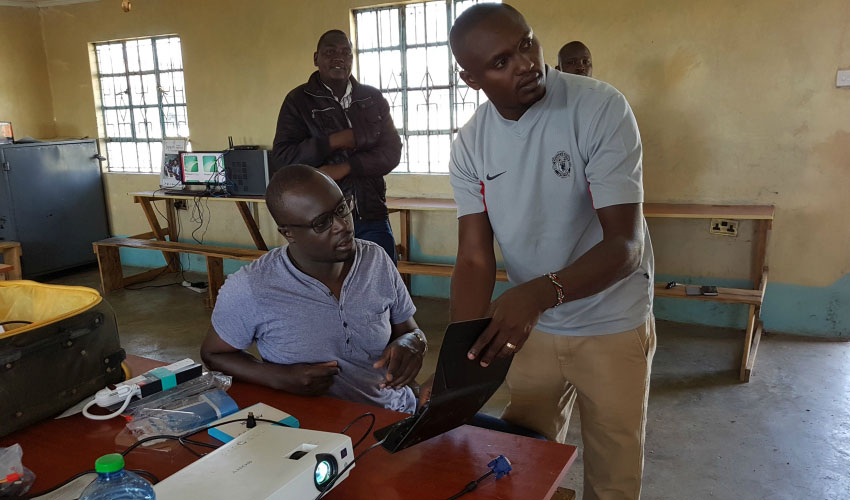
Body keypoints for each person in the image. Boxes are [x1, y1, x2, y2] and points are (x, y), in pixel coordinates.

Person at [446, 4, 655, 500]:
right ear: (470, 79)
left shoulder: (599, 108)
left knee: (613, 470)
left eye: (527, 43)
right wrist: (456, 363)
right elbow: (475, 258)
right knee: (527, 462)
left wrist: (539, 294)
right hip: (532, 328)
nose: (525, 63)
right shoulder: (471, 144)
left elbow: (625, 245)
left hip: (610, 322)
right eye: (500, 62)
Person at [200, 165, 426, 413]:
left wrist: (413, 342)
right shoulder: (253, 286)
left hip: (397, 414)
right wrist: (279, 377)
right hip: (317, 432)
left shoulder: (375, 260)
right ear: (288, 233)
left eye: (342, 208)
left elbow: (410, 330)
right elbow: (214, 355)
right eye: (322, 223)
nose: (343, 225)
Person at [272, 30, 402, 263]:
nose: (339, 58)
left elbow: (392, 153)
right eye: (330, 52)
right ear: (316, 58)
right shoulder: (298, 100)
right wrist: (336, 140)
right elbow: (283, 158)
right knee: (329, 288)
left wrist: (345, 167)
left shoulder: (371, 99)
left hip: (371, 213)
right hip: (321, 220)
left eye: (346, 53)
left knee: (382, 283)